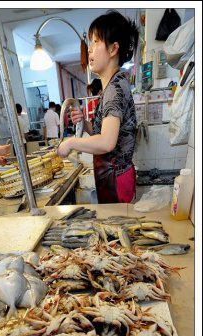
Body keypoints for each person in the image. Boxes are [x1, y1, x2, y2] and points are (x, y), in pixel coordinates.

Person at [57, 11, 139, 204]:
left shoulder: (114, 89)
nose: (90, 50)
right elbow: (105, 134)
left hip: (115, 179)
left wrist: (70, 143)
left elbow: (107, 143)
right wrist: (85, 123)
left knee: (116, 228)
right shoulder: (112, 86)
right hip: (112, 176)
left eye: (95, 42)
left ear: (113, 49)